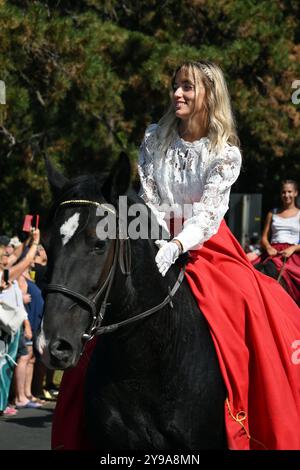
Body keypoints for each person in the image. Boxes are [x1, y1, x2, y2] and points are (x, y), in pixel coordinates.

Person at [52, 60, 300, 450]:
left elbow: (208, 214)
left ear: (208, 95)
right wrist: (153, 240)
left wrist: (176, 245)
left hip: (206, 244)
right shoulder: (155, 137)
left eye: (187, 87)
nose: (177, 94)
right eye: (175, 86)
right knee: (108, 297)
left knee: (247, 301)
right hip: (149, 233)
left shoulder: (225, 151)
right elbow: (149, 198)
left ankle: (253, 408)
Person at [253, 180, 300, 305]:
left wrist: (293, 249)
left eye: (289, 191)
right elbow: (264, 237)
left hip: (291, 253)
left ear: (295, 193)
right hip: (273, 251)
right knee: (249, 269)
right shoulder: (272, 213)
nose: (286, 195)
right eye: (283, 192)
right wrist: (268, 247)